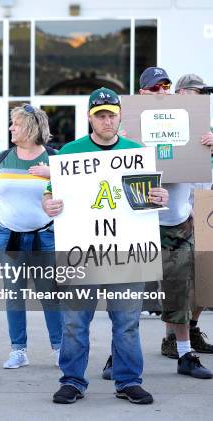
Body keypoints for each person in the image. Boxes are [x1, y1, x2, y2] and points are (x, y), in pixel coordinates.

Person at [43, 87, 169, 405]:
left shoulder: (135, 152)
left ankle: (127, 381)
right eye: (100, 115)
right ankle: (72, 380)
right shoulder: (70, 153)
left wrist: (159, 197)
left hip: (126, 251)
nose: (107, 120)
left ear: (120, 115)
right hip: (81, 251)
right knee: (75, 322)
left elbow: (147, 200)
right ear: (90, 117)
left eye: (111, 114)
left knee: (127, 322)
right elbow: (49, 193)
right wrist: (49, 204)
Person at [138, 68, 213, 378]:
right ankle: (119, 353)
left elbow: (200, 180)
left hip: (177, 222)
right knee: (129, 295)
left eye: (165, 86)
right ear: (142, 93)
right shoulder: (130, 126)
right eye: (155, 87)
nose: (161, 91)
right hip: (139, 222)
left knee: (180, 290)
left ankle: (184, 353)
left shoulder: (191, 129)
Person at [0, 104, 63, 369]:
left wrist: (53, 173)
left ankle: (60, 347)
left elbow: (73, 195)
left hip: (44, 237)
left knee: (49, 295)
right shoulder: (3, 157)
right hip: (7, 236)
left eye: (16, 124)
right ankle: (18, 350)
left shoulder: (54, 159)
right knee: (13, 295)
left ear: (31, 127)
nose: (11, 128)